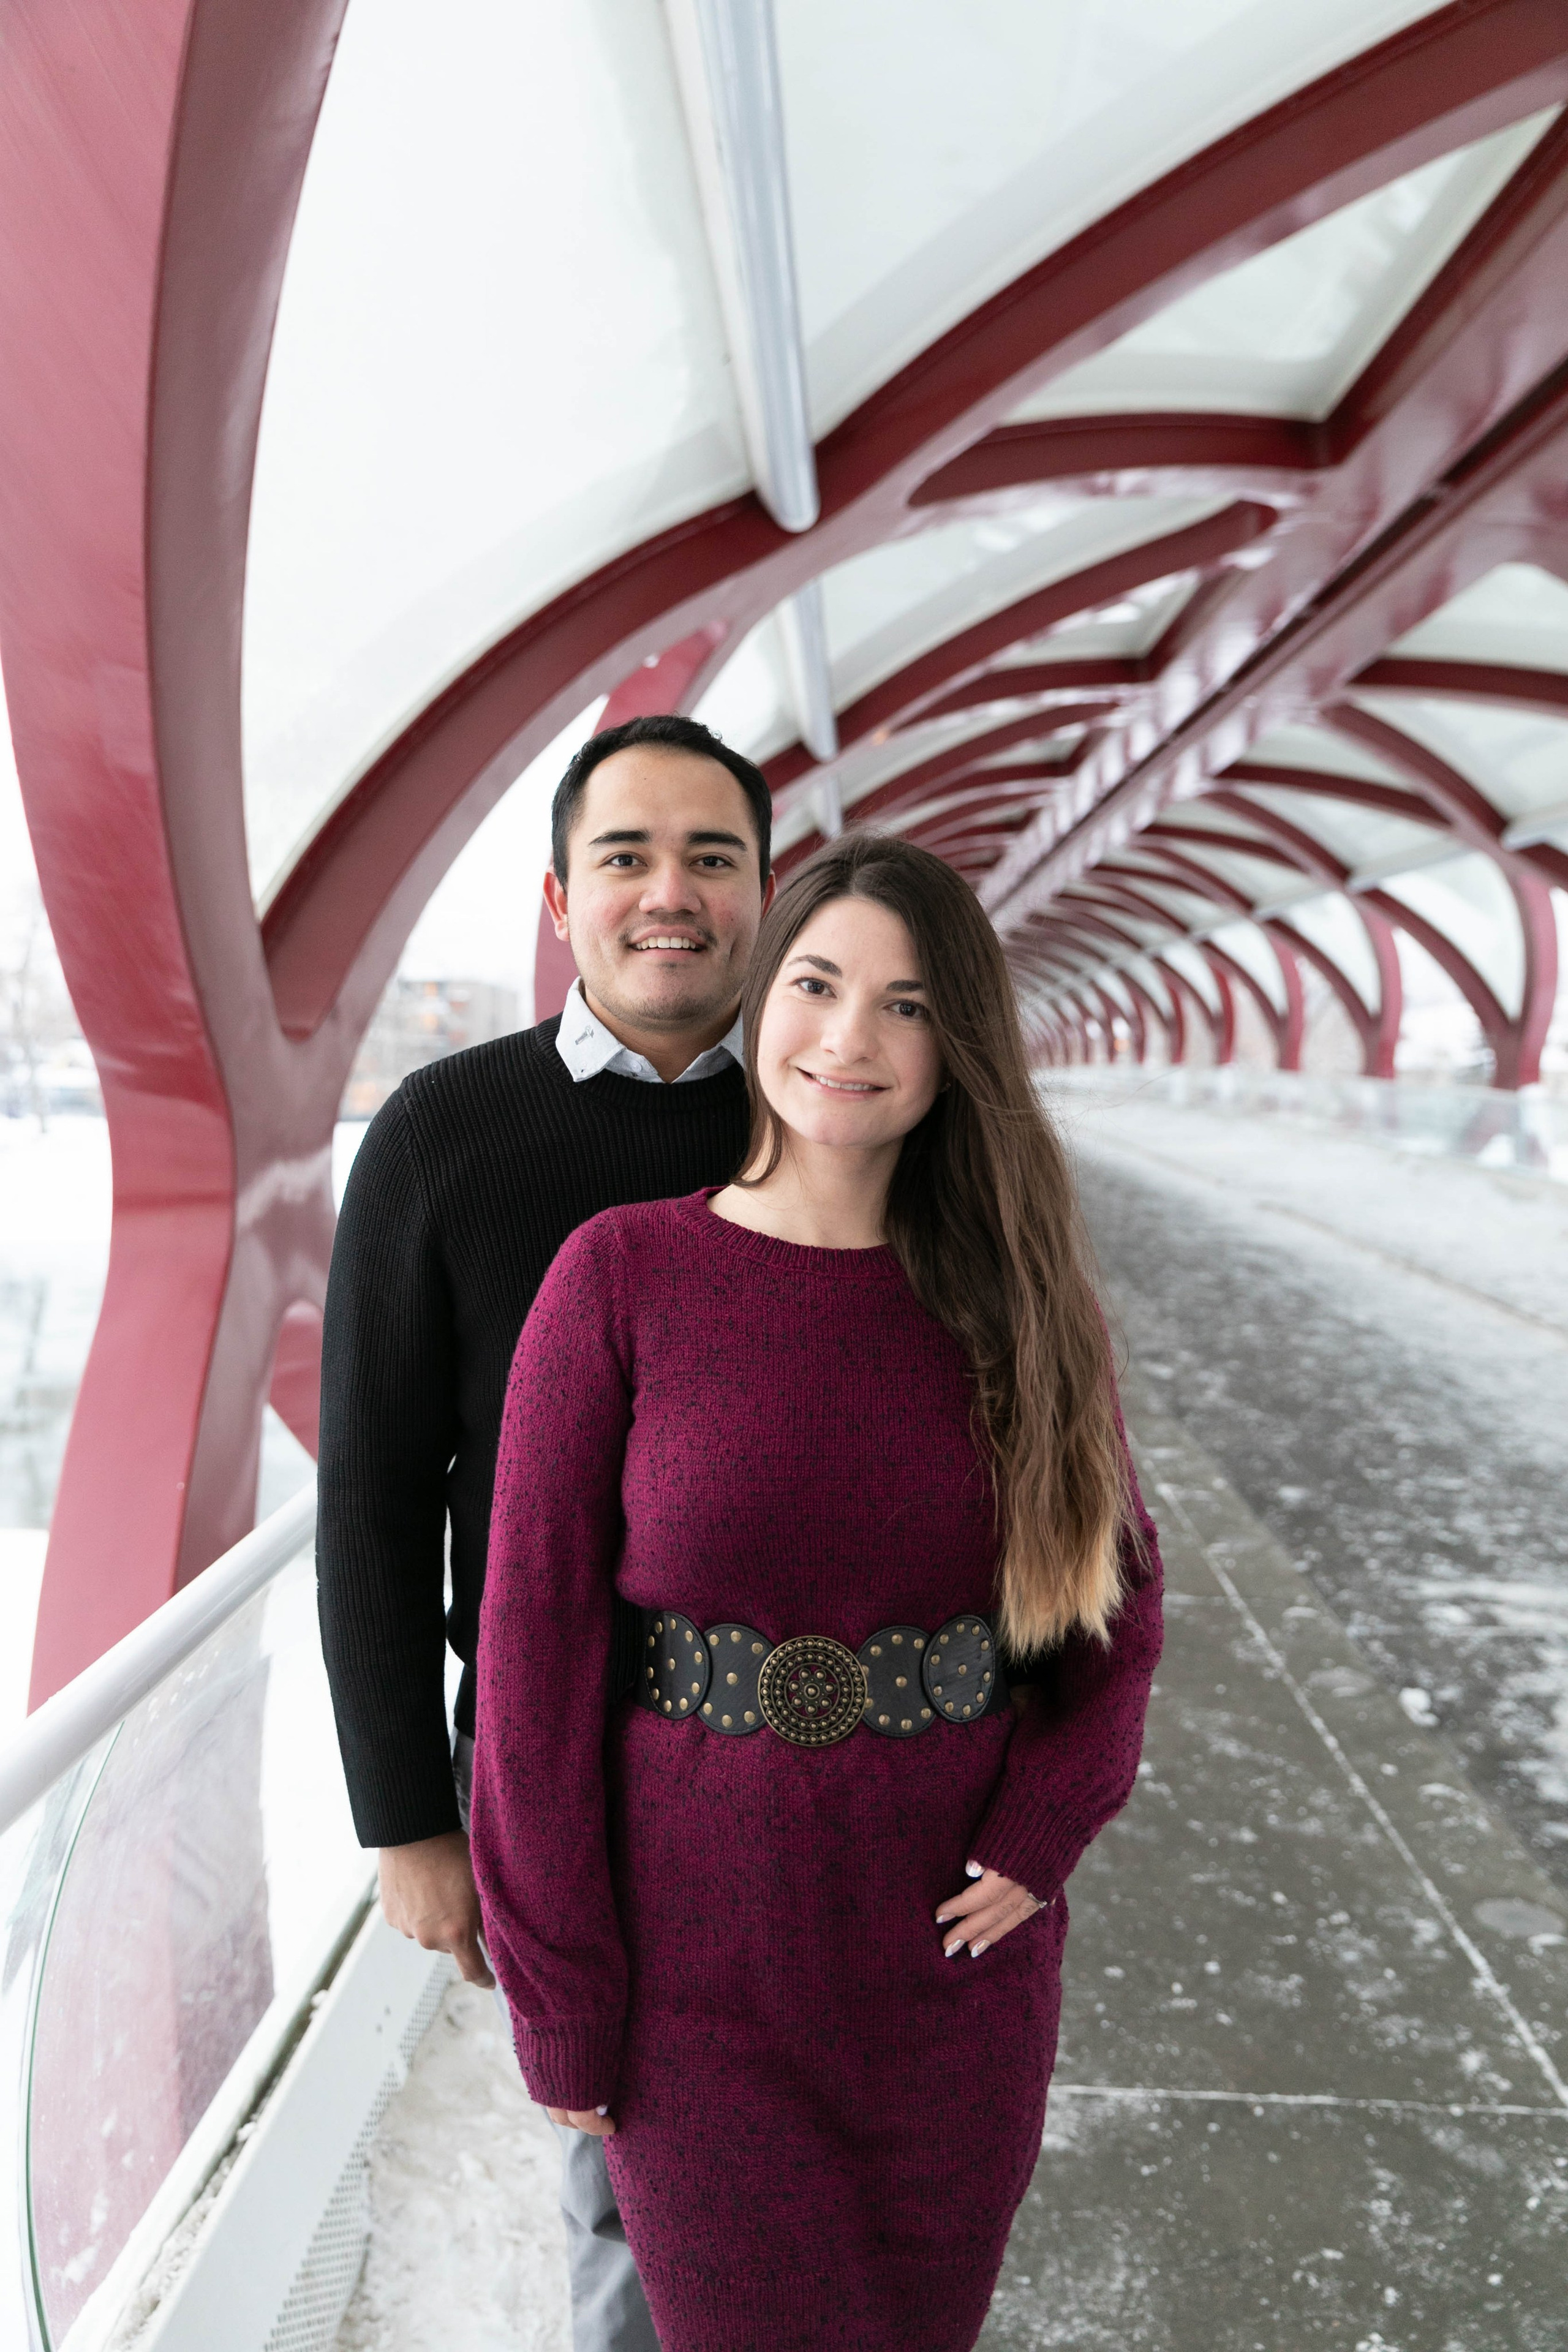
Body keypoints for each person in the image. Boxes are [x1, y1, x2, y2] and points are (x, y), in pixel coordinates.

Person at [470, 831, 1165, 2351]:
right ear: (758, 1001)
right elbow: (531, 1668)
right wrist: (559, 1988)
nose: (850, 1039)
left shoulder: (1019, 1302)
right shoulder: (620, 1278)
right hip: (698, 1969)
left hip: (949, 1973)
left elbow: (1113, 1614)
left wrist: (1046, 1823)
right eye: (817, 984)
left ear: (956, 1048)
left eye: (908, 1007)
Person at [317, 712, 777, 2352]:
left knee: (822, 2168)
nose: (672, 893)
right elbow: (370, 1502)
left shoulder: (838, 1124)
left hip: (817, 1758)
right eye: (628, 856)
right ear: (560, 898)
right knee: (634, 2188)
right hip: (558, 1759)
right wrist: (406, 1821)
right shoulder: (445, 1135)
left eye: (713, 858)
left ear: (766, 896)